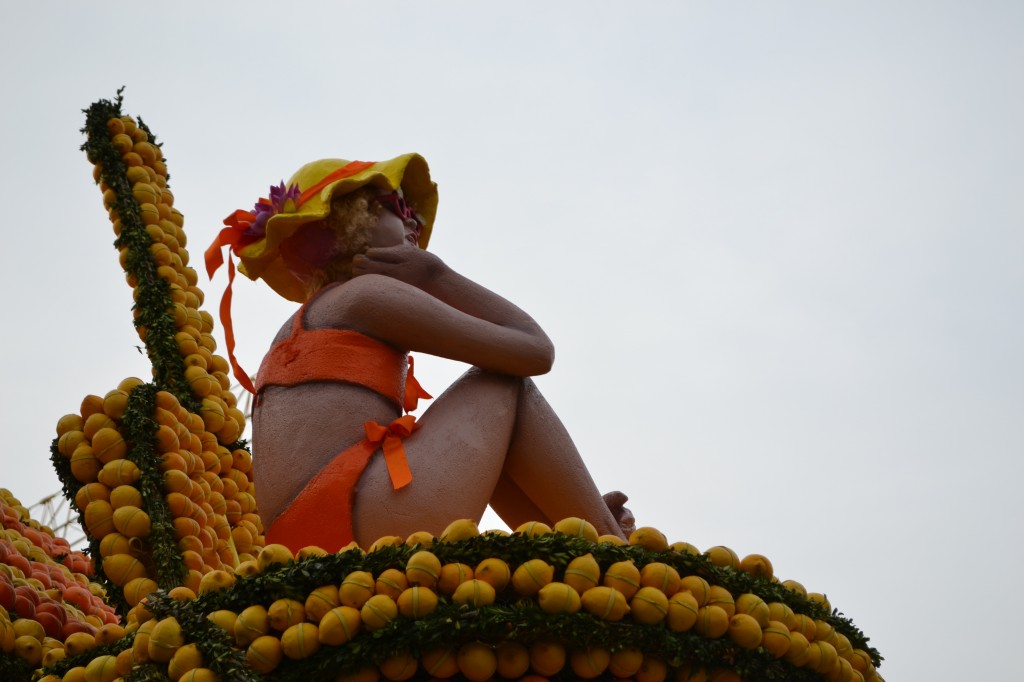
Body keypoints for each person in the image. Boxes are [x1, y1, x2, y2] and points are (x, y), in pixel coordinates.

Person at [207, 155, 633, 552]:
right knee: (500, 383)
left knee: (494, 418)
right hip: (353, 517)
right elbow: (533, 350)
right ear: (349, 219)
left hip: (306, 536)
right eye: (398, 206)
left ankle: (579, 540)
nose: (415, 222)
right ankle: (615, 554)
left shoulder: (313, 317)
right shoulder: (363, 297)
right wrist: (436, 274)